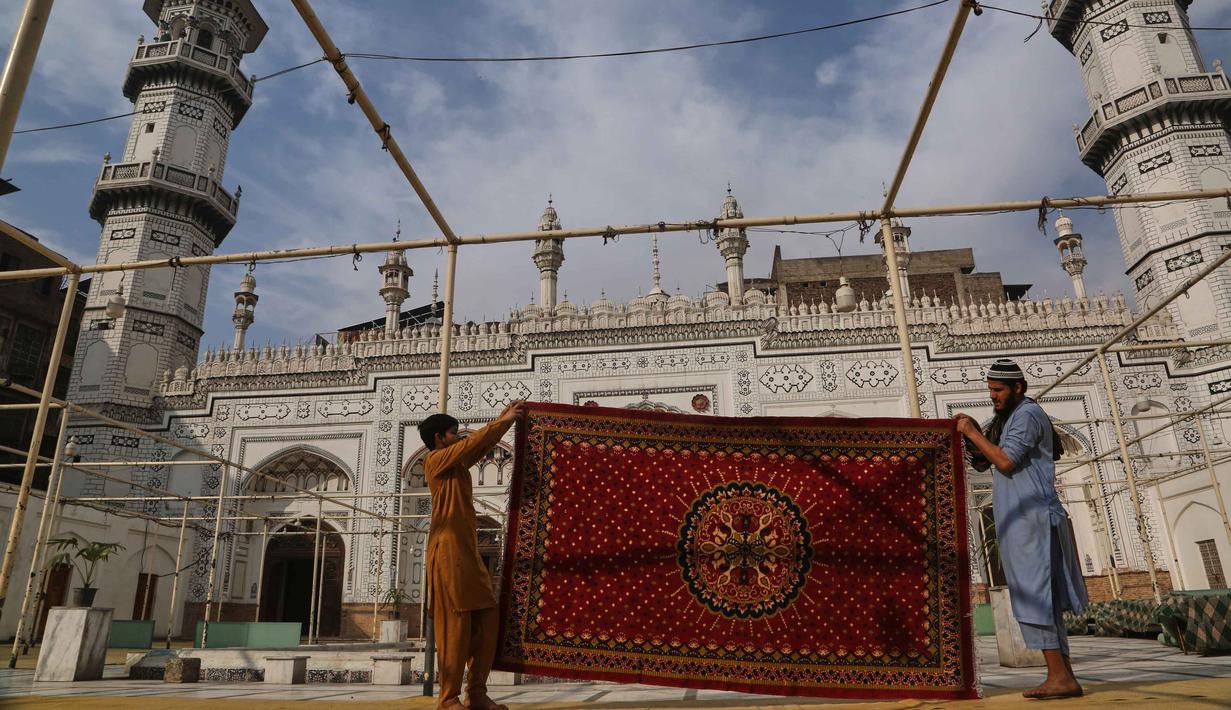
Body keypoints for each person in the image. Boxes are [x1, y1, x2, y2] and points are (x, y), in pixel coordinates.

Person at [956, 359, 1087, 700]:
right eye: (990, 390)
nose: (992, 396)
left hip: (1033, 519)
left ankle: (1059, 675)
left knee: (1035, 596)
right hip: (1024, 520)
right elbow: (989, 460)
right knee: (1042, 596)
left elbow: (1006, 461)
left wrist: (971, 432)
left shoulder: (1027, 414)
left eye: (998, 390)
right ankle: (1064, 677)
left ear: (1018, 387)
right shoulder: (1012, 418)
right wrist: (975, 440)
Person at [419, 400, 526, 710]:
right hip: (447, 550)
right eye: (454, 433)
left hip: (466, 553)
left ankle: (476, 693)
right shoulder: (434, 460)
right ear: (439, 438)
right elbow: (472, 446)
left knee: (487, 619)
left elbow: (476, 448)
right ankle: (448, 699)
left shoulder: (456, 464)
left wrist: (503, 422)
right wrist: (502, 421)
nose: (460, 438)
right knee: (455, 625)